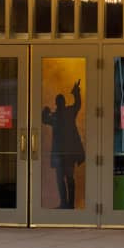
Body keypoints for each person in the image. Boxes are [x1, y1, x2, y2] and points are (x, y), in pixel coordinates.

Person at [42, 80, 85, 209]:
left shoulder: (59, 115)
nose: (60, 104)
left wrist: (45, 111)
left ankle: (67, 204)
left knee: (65, 179)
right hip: (64, 154)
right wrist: (76, 92)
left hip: (65, 154)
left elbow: (45, 119)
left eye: (60, 102)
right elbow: (77, 104)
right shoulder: (65, 113)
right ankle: (66, 204)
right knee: (64, 179)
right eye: (59, 102)